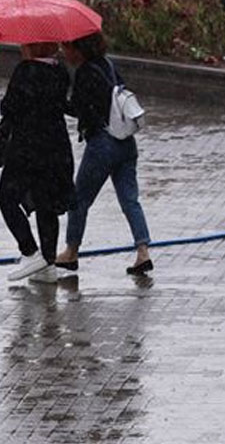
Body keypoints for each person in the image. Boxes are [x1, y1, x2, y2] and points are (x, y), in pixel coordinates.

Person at [56, 32, 153, 275]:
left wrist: (58, 102)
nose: (62, 52)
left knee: (78, 200)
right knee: (130, 200)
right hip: (126, 143)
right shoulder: (108, 65)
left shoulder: (85, 73)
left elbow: (81, 110)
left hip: (102, 145)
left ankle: (71, 252)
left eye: (65, 47)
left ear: (78, 49)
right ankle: (143, 252)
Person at [0, 41, 75, 283]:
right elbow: (60, 104)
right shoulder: (60, 70)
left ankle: (30, 251)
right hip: (56, 147)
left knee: (6, 197)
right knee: (46, 203)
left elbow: (9, 108)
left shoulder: (25, 70)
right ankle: (48, 263)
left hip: (27, 148)